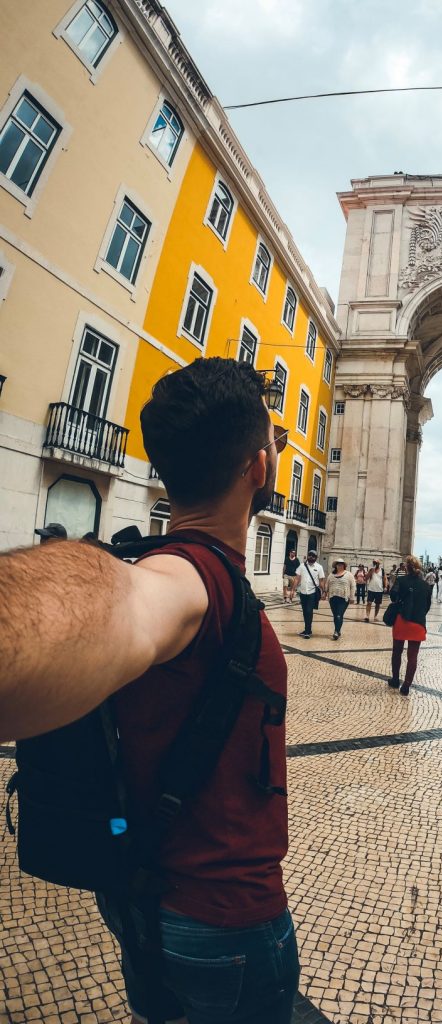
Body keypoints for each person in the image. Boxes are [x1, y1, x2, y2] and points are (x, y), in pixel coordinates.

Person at [0, 358, 298, 1022]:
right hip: (222, 920)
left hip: (138, 892)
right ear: (258, 467)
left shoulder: (171, 565)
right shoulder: (190, 582)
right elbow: (136, 605)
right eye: (273, 446)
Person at [388, 555, 432, 695]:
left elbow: (393, 596)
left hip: (402, 620)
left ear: (406, 567)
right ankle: (406, 686)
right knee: (412, 656)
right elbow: (427, 606)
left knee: (397, 652)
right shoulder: (426, 586)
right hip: (418, 623)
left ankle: (395, 680)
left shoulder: (401, 580)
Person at [293, 549, 326, 638]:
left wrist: (324, 591)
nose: (311, 557)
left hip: (312, 592)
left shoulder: (319, 567)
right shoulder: (301, 566)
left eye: (313, 556)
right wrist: (293, 590)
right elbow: (297, 578)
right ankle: (308, 629)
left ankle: (307, 631)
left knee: (309, 611)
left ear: (316, 557)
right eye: (310, 555)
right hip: (303, 592)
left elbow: (321, 580)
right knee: (304, 612)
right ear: (307, 556)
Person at [327, 559, 355, 640]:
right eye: (338, 564)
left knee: (339, 615)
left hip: (343, 598)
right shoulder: (331, 575)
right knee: (336, 615)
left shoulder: (349, 574)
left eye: (341, 564)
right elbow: (327, 584)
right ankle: (338, 630)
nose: (340, 565)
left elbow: (353, 586)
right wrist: (325, 593)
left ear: (344, 565)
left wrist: (352, 597)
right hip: (332, 597)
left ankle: (336, 631)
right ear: (335, 565)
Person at [365, 559, 386, 623]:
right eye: (374, 563)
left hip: (379, 590)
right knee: (369, 603)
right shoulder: (371, 570)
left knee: (377, 604)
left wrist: (385, 587)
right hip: (371, 589)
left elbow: (385, 579)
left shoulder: (382, 570)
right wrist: (371, 572)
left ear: (379, 564)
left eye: (376, 563)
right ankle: (367, 616)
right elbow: (366, 578)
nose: (375, 564)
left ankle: (375, 616)